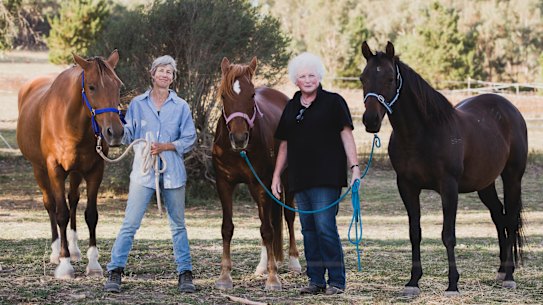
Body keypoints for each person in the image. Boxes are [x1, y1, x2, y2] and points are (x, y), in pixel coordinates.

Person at [103, 55, 197, 293]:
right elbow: (128, 135)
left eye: (170, 72)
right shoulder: (138, 104)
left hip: (173, 171)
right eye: (162, 71)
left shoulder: (181, 106)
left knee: (178, 225)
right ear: (153, 73)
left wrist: (166, 146)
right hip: (143, 173)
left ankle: (185, 273)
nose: (165, 75)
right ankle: (115, 271)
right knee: (130, 223)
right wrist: (114, 127)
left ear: (173, 78)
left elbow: (189, 138)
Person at [271, 52, 361, 295]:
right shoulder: (291, 106)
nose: (308, 79)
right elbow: (285, 145)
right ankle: (316, 280)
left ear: (319, 77)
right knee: (308, 229)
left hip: (326, 177)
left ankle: (336, 281)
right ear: (295, 80)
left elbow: (346, 134)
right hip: (299, 178)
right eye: (302, 76)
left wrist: (355, 167)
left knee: (325, 227)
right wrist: (277, 175)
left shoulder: (333, 102)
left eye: (312, 75)